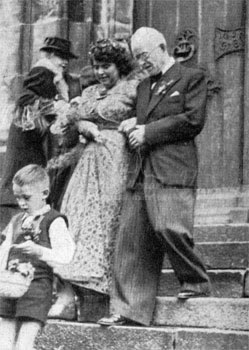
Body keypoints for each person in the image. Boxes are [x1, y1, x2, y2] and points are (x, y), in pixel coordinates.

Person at [99, 27, 211, 327]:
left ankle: (196, 281)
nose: (141, 63)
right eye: (137, 58)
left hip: (172, 166)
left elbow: (192, 120)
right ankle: (129, 309)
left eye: (145, 56)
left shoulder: (192, 77)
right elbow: (146, 118)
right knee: (132, 238)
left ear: (162, 47)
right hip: (141, 168)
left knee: (169, 227)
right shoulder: (144, 87)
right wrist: (132, 124)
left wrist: (147, 132)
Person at [54, 38, 140, 321]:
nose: (101, 72)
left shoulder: (134, 88)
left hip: (118, 160)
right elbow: (72, 121)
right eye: (97, 66)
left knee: (105, 223)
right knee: (74, 220)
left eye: (107, 66)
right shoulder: (90, 91)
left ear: (120, 65)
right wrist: (82, 124)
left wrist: (133, 124)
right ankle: (67, 296)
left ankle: (104, 298)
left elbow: (146, 118)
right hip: (87, 162)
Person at [0, 36, 80, 230]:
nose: (64, 62)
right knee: (23, 181)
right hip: (26, 139)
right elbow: (25, 98)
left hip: (31, 139)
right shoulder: (43, 70)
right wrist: (58, 103)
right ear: (50, 55)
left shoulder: (53, 74)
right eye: (61, 56)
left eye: (67, 58)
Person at [0, 164, 75, 350]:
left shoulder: (54, 220)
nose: (21, 203)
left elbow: (66, 255)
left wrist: (40, 251)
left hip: (37, 289)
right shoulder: (17, 220)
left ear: (44, 193)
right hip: (10, 287)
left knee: (23, 345)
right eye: (17, 197)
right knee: (3, 343)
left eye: (26, 197)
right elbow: (4, 250)